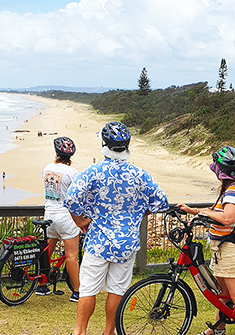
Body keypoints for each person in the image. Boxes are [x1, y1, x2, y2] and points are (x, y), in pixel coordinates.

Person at [64, 122, 168, 335]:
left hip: (98, 242)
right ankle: (109, 331)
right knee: (116, 290)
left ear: (104, 144)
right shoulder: (140, 175)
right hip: (127, 243)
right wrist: (137, 215)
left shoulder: (94, 171)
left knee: (88, 289)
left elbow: (72, 198)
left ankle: (79, 331)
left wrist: (80, 221)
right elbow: (161, 202)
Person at [177, 146, 235, 335]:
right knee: (223, 294)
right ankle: (218, 330)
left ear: (220, 170)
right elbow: (218, 211)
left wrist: (203, 213)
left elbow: (228, 217)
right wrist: (194, 211)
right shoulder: (229, 189)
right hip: (224, 249)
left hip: (233, 250)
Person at [35, 136, 82, 301]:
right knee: (71, 255)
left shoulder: (47, 168)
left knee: (48, 251)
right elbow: (77, 196)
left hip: (49, 215)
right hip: (66, 217)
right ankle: (77, 292)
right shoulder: (72, 172)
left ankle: (42, 285)